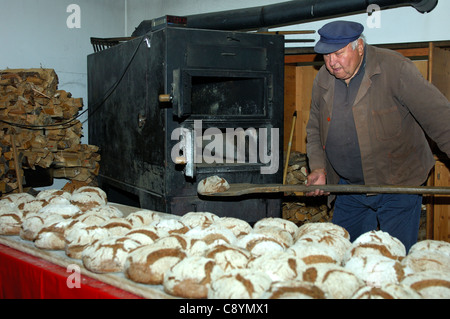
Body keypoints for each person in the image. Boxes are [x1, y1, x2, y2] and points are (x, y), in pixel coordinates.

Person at [305, 20, 450, 252]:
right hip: (349, 188)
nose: (332, 62)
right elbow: (314, 128)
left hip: (398, 186)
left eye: (339, 53)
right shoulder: (323, 79)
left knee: (394, 259)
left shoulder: (395, 69)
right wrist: (319, 167)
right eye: (326, 55)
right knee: (345, 256)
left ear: (359, 47)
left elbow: (441, 119)